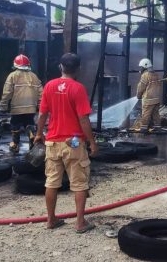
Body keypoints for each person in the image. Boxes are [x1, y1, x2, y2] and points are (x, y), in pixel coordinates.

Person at [33, 53, 98, 233]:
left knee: (52, 182)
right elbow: (83, 119)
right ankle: (79, 223)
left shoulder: (49, 86)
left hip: (52, 142)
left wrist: (39, 134)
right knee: (79, 182)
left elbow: (42, 115)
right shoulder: (78, 88)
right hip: (74, 142)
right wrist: (92, 142)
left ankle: (51, 219)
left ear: (61, 67)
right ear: (78, 69)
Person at [0, 54, 43, 153]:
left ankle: (15, 145)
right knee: (29, 123)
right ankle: (32, 140)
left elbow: (7, 93)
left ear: (15, 64)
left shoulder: (12, 76)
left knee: (15, 124)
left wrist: (3, 106)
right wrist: (40, 106)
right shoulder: (34, 76)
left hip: (17, 108)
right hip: (31, 108)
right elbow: (41, 92)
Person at [134, 58, 162, 133]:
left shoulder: (145, 75)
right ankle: (157, 127)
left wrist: (138, 96)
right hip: (156, 99)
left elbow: (140, 87)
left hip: (148, 99)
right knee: (156, 114)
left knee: (146, 114)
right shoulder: (156, 74)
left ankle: (143, 129)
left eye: (141, 67)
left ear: (144, 67)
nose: (141, 69)